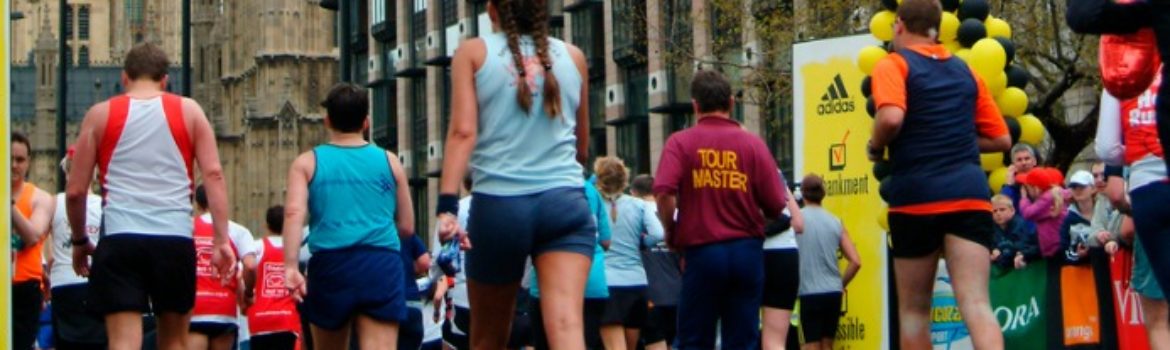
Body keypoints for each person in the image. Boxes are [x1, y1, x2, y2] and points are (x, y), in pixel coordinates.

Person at [434, 0, 594, 348]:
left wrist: (447, 206)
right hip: (565, 203)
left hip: (500, 207)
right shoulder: (574, 57)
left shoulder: (473, 53)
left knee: (488, 337)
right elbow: (581, 149)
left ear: (493, 10)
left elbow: (463, 132)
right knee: (567, 327)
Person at [66, 42, 235, 350]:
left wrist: (79, 241)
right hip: (174, 238)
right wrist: (221, 240)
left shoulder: (100, 114)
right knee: (174, 343)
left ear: (124, 78)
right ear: (165, 80)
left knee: (123, 342)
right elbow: (213, 174)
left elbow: (76, 191)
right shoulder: (189, 110)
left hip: (120, 239)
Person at [866, 0, 1012, 348]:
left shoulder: (894, 64)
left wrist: (875, 146)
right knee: (977, 304)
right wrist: (955, 137)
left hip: (916, 196)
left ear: (899, 24)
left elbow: (890, 118)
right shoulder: (967, 72)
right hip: (969, 194)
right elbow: (1002, 138)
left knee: (915, 311)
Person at [653, 69, 787, 349]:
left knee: (694, 339)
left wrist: (671, 229)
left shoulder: (681, 142)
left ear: (695, 105)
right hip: (746, 252)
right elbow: (776, 203)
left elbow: (664, 191)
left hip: (702, 251)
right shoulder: (753, 144)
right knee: (742, 340)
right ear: (731, 102)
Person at [281, 83, 415, 350]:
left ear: (327, 120)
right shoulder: (390, 161)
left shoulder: (307, 163)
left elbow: (294, 213)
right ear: (366, 122)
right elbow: (407, 227)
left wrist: (291, 266)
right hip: (380, 263)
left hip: (331, 265)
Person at [528, 176, 611, 350]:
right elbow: (605, 240)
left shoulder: (538, 184)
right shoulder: (591, 190)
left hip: (547, 283)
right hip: (592, 281)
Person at [589, 157, 664, 350]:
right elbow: (658, 233)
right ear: (625, 179)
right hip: (637, 282)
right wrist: (642, 243)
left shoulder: (593, 204)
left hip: (606, 282)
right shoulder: (640, 205)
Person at [46, 150, 106, 349]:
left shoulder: (54, 202)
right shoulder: (104, 205)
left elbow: (41, 240)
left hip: (63, 285)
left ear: (65, 172)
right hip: (95, 285)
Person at [795, 174, 861, 350]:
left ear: (803, 193)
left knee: (810, 346)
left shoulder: (797, 221)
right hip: (832, 292)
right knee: (827, 346)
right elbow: (855, 261)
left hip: (809, 292)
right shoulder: (835, 222)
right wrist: (840, 284)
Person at [189, 185, 257, 350]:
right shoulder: (238, 231)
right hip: (224, 311)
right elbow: (250, 266)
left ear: (198, 204)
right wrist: (248, 293)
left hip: (194, 311)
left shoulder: (187, 228)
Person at [11, 131, 56, 350]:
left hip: (24, 288)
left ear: (28, 162)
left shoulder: (41, 198)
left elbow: (32, 235)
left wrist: (7, 204)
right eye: (8, 158)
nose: (13, 166)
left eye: (19, 160)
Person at [630, 175, 680, 350]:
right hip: (678, 294)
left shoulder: (635, 213)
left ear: (633, 193)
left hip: (650, 294)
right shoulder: (675, 213)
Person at [244, 205, 302, 350]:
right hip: (287, 320)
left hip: (259, 320)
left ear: (267, 225)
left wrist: (247, 294)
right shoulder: (296, 251)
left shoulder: (256, 247)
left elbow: (245, 271)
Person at [762, 177, 803, 350]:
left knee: (740, 336)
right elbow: (799, 224)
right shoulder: (776, 174)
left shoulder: (735, 166)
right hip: (785, 255)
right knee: (775, 341)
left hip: (750, 252)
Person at [1017, 168, 1069, 260]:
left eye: (1027, 188)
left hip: (1056, 247)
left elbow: (1027, 213)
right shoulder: (1054, 193)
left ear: (1035, 188)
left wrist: (1024, 198)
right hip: (1057, 246)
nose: (1026, 190)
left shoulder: (1046, 199)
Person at [399, 231, 433, 350]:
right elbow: (424, 261)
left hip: (388, 305)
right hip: (412, 303)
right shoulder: (408, 234)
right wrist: (408, 267)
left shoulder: (375, 233)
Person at [990, 195, 1039, 270]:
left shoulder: (1020, 225)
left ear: (1012, 210)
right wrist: (992, 252)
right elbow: (989, 245)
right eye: (994, 211)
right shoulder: (992, 228)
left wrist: (1000, 250)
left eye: (1002, 209)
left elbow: (1023, 246)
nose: (998, 213)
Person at [1060, 171, 1098, 265]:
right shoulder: (1068, 219)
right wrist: (1078, 256)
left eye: (1082, 187)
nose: (1077, 190)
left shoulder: (1106, 213)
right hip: (1080, 274)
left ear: (1093, 189)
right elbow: (1064, 251)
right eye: (1074, 187)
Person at [1000, 144, 1040, 210]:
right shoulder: (1012, 186)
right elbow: (1004, 207)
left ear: (1034, 161)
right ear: (1013, 165)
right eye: (1019, 160)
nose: (1024, 163)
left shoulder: (1043, 181)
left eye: (1027, 159)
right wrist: (1009, 184)